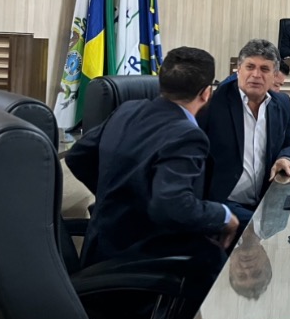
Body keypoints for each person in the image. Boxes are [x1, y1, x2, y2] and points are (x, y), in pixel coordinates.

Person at [65, 46, 238, 287]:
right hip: (145, 265)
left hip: (100, 248)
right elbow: (173, 205)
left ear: (161, 83)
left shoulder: (127, 110)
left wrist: (118, 196)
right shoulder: (187, 135)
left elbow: (78, 156)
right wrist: (224, 216)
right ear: (206, 93)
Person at [200, 39, 290, 227]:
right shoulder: (212, 104)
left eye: (264, 69)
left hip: (266, 201)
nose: (256, 75)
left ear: (274, 75)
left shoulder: (282, 104)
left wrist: (285, 158)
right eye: (250, 67)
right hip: (224, 204)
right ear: (238, 69)